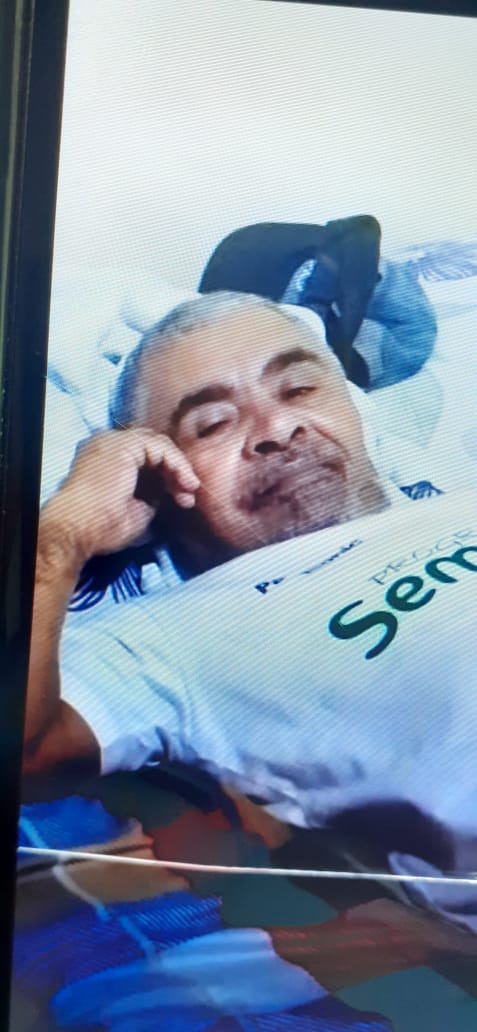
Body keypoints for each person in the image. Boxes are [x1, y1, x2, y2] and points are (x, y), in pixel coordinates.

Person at [23, 292, 477, 898]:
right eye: (212, 424)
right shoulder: (170, 637)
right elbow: (23, 747)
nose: (278, 429)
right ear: (153, 480)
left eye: (299, 390)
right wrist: (62, 535)